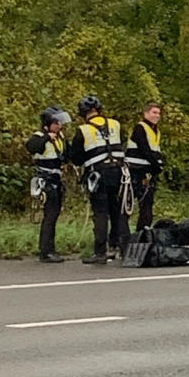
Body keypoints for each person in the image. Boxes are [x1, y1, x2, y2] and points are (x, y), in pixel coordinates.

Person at [69, 94, 131, 265]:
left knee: (101, 213)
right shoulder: (115, 124)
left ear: (83, 113)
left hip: (98, 175)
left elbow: (76, 158)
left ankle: (100, 252)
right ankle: (122, 248)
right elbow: (122, 142)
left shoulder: (83, 130)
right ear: (99, 109)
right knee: (118, 210)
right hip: (119, 172)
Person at [25, 108, 71, 263]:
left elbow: (66, 157)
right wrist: (46, 138)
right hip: (46, 180)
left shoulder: (60, 138)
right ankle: (46, 251)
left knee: (54, 214)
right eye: (56, 123)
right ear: (48, 124)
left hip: (57, 179)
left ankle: (50, 248)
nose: (59, 126)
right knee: (49, 216)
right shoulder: (39, 136)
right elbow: (32, 147)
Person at [126, 102, 163, 231]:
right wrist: (156, 165)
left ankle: (142, 234)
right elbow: (144, 149)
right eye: (154, 112)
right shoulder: (140, 128)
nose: (157, 116)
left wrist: (159, 164)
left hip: (148, 172)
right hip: (135, 170)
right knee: (127, 205)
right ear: (146, 113)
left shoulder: (156, 130)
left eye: (158, 113)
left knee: (147, 205)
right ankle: (121, 237)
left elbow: (154, 151)